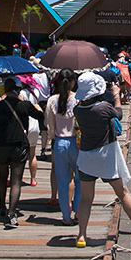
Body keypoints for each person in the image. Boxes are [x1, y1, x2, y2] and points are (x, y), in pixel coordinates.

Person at [72, 71, 131, 248]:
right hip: (106, 157)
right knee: (123, 193)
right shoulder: (103, 107)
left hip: (86, 158)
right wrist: (116, 95)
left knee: (86, 199)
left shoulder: (78, 110)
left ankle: (81, 236)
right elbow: (118, 114)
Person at [0, 77, 45, 229]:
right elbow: (41, 118)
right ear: (18, 90)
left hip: (0, 145)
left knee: (2, 177)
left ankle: (1, 207)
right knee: (16, 180)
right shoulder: (24, 105)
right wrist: (38, 108)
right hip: (19, 145)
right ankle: (12, 214)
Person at [45, 69, 80, 225]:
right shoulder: (78, 99)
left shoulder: (52, 100)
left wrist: (53, 136)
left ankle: (66, 216)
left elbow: (49, 126)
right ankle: (78, 211)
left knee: (63, 181)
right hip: (76, 143)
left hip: (59, 143)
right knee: (80, 179)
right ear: (73, 82)